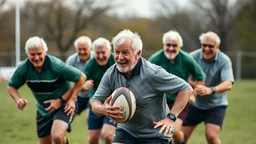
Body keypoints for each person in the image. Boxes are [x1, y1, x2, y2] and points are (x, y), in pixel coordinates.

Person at [90, 29, 193, 144]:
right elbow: (95, 102)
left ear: (138, 53)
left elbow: (186, 89)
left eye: (125, 52)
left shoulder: (153, 73)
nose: (120, 57)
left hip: (155, 134)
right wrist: (103, 109)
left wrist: (171, 118)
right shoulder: (111, 73)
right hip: (127, 131)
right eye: (117, 52)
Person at [7, 36, 86, 144]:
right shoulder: (24, 69)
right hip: (43, 110)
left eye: (39, 54)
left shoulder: (56, 65)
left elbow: (81, 78)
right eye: (32, 54)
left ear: (45, 52)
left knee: (57, 136)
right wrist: (18, 99)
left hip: (64, 106)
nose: (36, 57)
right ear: (27, 54)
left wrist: (70, 100)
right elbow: (11, 86)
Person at [148, 30, 205, 144]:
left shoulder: (186, 59)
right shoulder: (154, 59)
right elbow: (145, 78)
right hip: (160, 103)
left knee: (174, 130)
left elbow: (200, 77)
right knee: (161, 133)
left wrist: (193, 94)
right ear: (163, 45)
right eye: (168, 45)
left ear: (180, 46)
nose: (171, 48)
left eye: (174, 46)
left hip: (180, 102)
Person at [182, 31, 234, 144]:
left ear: (218, 46)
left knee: (211, 136)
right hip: (194, 104)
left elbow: (228, 83)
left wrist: (210, 90)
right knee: (180, 137)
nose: (206, 49)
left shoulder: (224, 60)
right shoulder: (192, 57)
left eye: (210, 46)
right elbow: (182, 77)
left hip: (216, 105)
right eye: (204, 45)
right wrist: (195, 86)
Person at [83, 37, 116, 144]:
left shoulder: (116, 61)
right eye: (97, 53)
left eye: (103, 52)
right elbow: (84, 80)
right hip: (96, 101)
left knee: (107, 135)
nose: (100, 56)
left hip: (113, 102)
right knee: (92, 139)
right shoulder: (90, 64)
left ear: (109, 51)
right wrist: (85, 85)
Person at [66, 36, 94, 116]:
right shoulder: (71, 60)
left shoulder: (97, 57)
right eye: (79, 49)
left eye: (84, 49)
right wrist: (82, 86)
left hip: (94, 95)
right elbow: (68, 82)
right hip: (78, 95)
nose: (82, 52)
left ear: (90, 48)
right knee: (67, 117)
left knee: (90, 117)